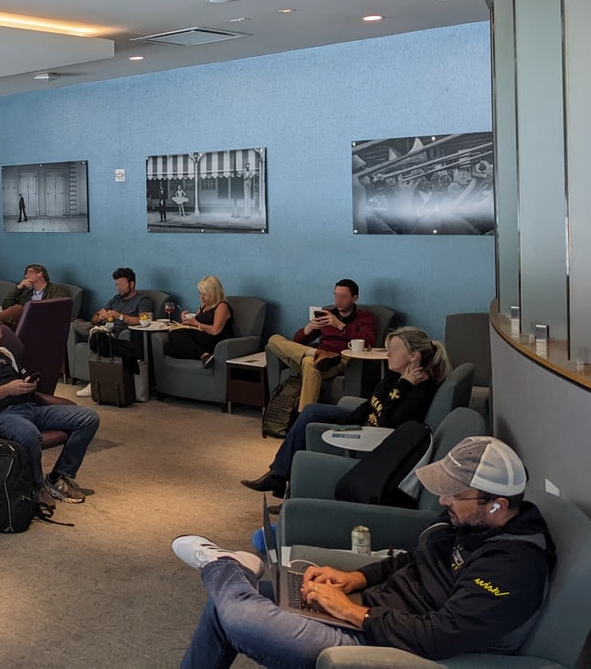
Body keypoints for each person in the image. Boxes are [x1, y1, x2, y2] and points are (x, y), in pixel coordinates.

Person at [173, 436, 555, 668]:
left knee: (239, 615)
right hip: (371, 610)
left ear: (497, 504)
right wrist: (356, 578)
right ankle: (233, 571)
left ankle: (224, 565)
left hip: (384, 646)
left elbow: (440, 636)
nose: (443, 500)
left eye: (455, 494)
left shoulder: (514, 567)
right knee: (225, 606)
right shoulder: (468, 522)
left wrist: (350, 611)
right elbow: (415, 559)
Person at [242, 326, 451, 497]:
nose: (388, 354)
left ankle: (284, 483)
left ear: (414, 356)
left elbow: (387, 425)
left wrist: (402, 387)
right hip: (364, 422)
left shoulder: (420, 390)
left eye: (394, 350)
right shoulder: (396, 374)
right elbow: (371, 403)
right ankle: (278, 474)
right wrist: (346, 421)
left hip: (373, 437)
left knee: (310, 424)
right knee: (312, 411)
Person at [0, 316, 99, 504]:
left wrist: (29, 384)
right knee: (29, 434)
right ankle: (36, 487)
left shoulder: (5, 353)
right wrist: (6, 390)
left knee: (88, 417)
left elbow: (23, 376)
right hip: (2, 416)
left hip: (32, 408)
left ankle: (59, 476)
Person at [264, 279, 377, 411]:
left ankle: (303, 414)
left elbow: (368, 341)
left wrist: (340, 325)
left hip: (339, 359)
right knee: (273, 339)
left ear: (354, 298)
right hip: (319, 357)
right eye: (336, 295)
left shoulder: (364, 317)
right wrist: (309, 327)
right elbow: (297, 342)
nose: (338, 300)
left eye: (342, 297)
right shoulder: (326, 314)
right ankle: (317, 354)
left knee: (309, 362)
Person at [72, 268, 154, 398]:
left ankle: (94, 383)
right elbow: (94, 317)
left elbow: (144, 320)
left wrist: (119, 316)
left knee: (98, 338)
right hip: (104, 327)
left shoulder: (142, 300)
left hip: (118, 333)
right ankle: (97, 335)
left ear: (131, 284)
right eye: (116, 285)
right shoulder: (115, 299)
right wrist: (100, 317)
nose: (118, 288)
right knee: (76, 323)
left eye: (121, 285)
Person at [163, 275, 234, 368]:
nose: (202, 297)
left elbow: (216, 330)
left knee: (176, 334)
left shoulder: (222, 306)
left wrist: (197, 324)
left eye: (205, 294)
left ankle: (203, 354)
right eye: (200, 294)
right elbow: (195, 320)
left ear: (214, 292)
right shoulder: (204, 305)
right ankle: (205, 356)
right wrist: (186, 319)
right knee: (168, 348)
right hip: (201, 338)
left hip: (214, 339)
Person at [0, 264, 72, 329]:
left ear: (40, 273)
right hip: (24, 322)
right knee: (2, 324)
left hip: (42, 321)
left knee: (18, 309)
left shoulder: (56, 290)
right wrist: (18, 288)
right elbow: (6, 307)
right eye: (25, 274)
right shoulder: (27, 293)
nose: (26, 276)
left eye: (28, 273)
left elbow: (59, 309)